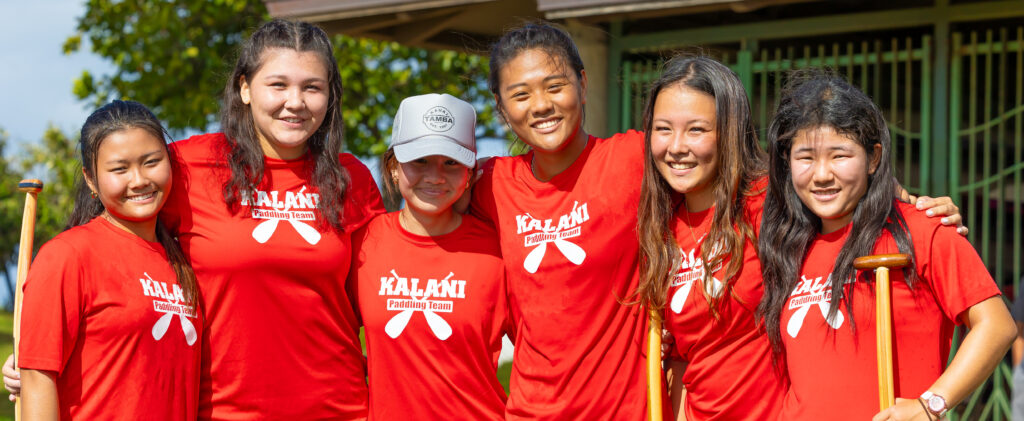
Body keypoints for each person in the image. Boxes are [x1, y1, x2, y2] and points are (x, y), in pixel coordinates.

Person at [757, 70, 1015, 421]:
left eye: (839, 155)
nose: (821, 174)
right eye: (806, 157)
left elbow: (997, 325)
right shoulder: (785, 246)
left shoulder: (921, 229)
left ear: (874, 158)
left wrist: (930, 405)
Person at [18, 100, 202, 420]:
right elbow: (37, 377)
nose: (139, 180)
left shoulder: (186, 259)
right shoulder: (67, 257)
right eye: (120, 169)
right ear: (91, 179)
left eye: (151, 162)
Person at [635, 56, 785, 420]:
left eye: (697, 130)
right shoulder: (659, 225)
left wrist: (906, 200)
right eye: (663, 129)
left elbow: (845, 196)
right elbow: (687, 357)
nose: (676, 147)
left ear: (729, 131)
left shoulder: (771, 201)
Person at [349, 93, 509, 419]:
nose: (435, 176)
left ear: (471, 175)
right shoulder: (364, 243)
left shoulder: (498, 250)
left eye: (451, 162)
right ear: (393, 168)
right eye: (419, 160)